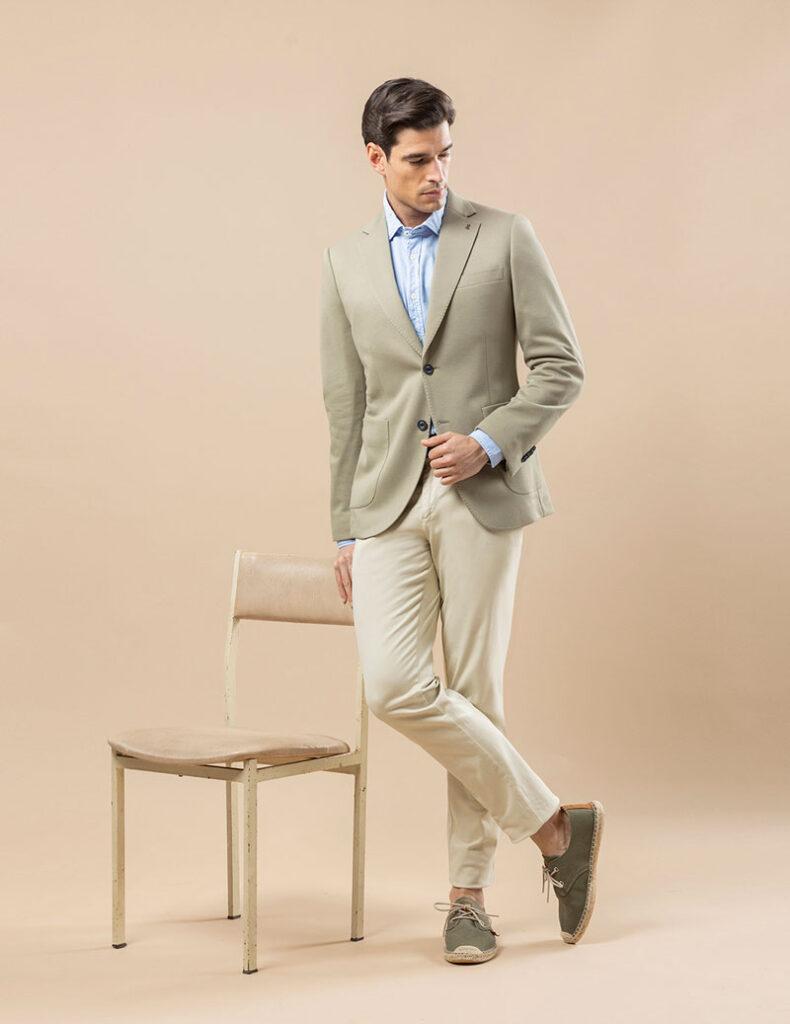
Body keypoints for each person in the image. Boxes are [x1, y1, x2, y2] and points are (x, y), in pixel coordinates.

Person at [319, 77, 604, 964]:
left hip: (483, 492)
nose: (436, 173)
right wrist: (345, 527)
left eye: (445, 154)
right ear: (376, 158)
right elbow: (347, 402)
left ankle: (468, 899)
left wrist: (487, 442)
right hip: (386, 500)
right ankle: (556, 828)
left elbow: (560, 366)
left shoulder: (505, 236)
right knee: (394, 686)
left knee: (475, 690)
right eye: (417, 159)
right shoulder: (344, 262)